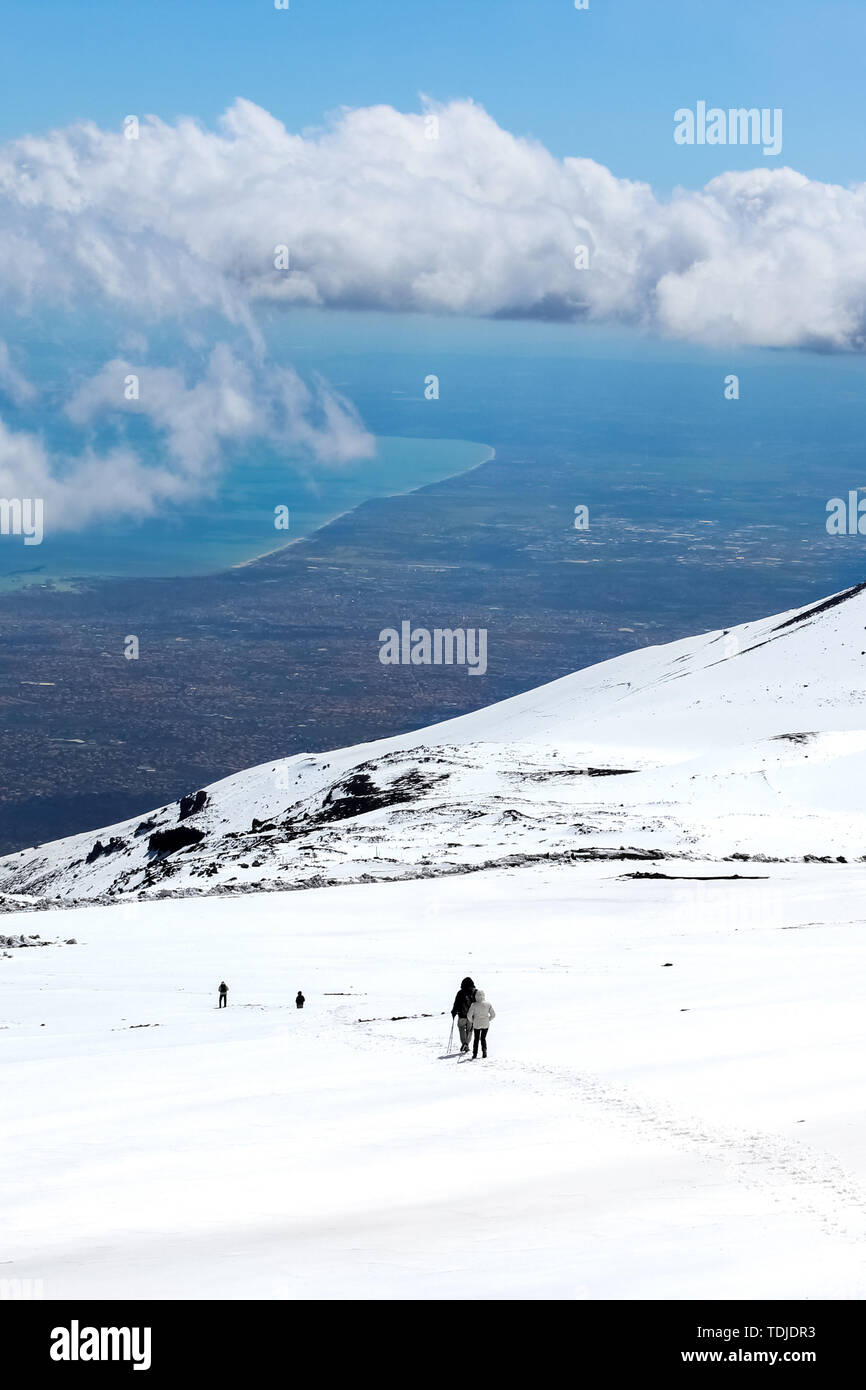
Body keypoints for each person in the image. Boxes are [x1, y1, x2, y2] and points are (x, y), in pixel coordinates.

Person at [467, 988, 495, 1059]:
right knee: (483, 1038)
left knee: (476, 1039)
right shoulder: (488, 1004)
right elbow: (493, 1014)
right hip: (486, 1024)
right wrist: (488, 1019)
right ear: (483, 995)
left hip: (476, 1024)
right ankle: (484, 1053)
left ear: (476, 996)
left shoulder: (473, 1005)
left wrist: (473, 1021)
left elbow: (469, 1016)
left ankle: (475, 1054)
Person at [451, 976, 476, 1053]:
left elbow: (456, 1004)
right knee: (470, 1031)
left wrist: (453, 1012)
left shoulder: (460, 992)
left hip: (461, 1015)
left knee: (461, 1029)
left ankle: (464, 1044)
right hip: (471, 1016)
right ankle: (466, 1044)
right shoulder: (475, 992)